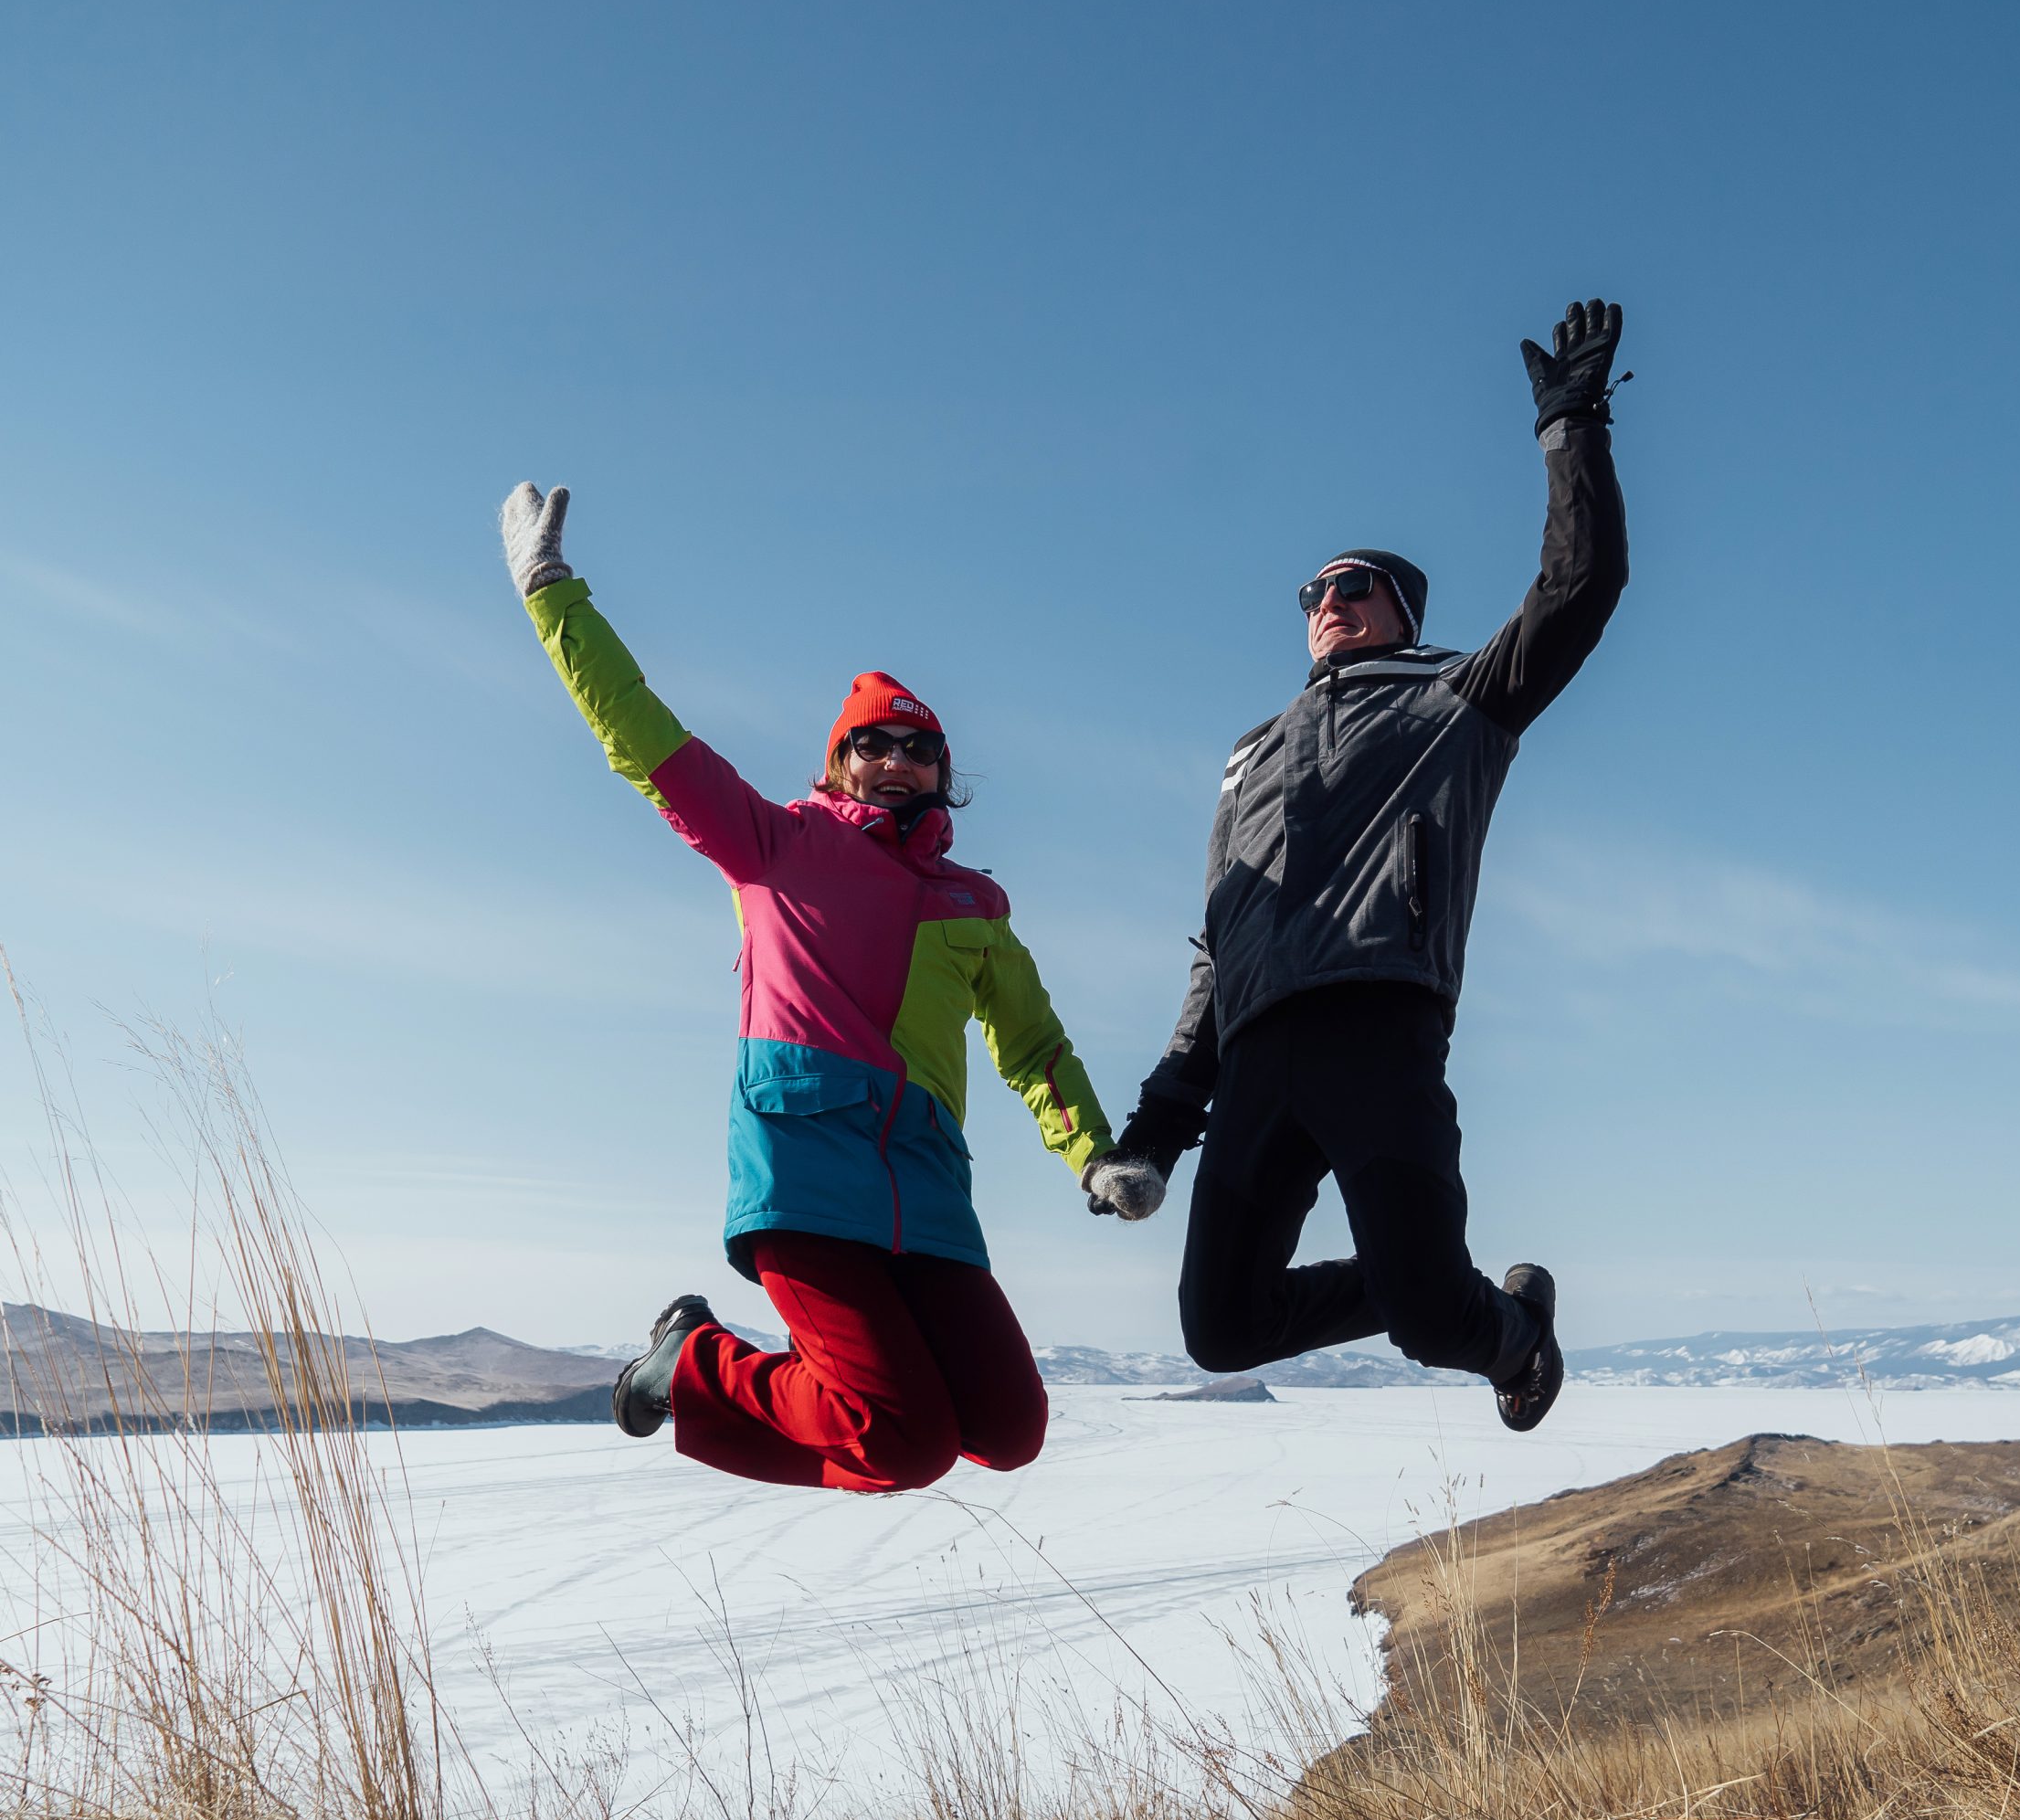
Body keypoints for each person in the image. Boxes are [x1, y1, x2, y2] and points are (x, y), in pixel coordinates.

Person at [499, 483, 1161, 1493]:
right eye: (872, 744)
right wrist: (553, 594)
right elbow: (641, 734)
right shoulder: (772, 845)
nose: (895, 760)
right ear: (839, 763)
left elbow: (1032, 1045)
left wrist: (1093, 1151)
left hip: (928, 1189)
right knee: (899, 1441)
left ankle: (743, 1376)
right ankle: (690, 1362)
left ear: (943, 773)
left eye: (919, 748)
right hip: (804, 1175)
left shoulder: (973, 904)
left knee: (1008, 1428)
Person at [1084, 301, 1631, 1433]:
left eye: (1355, 587)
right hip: (1254, 1061)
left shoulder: (1455, 699)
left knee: (1439, 1322)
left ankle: (1511, 1327)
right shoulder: (1249, 757)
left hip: (1380, 1028)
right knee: (1219, 1330)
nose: (1328, 603)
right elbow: (1215, 949)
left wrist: (1570, 426)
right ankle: (1431, 1287)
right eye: (1313, 593)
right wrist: (1152, 1133)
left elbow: (1579, 592)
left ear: (1401, 613)